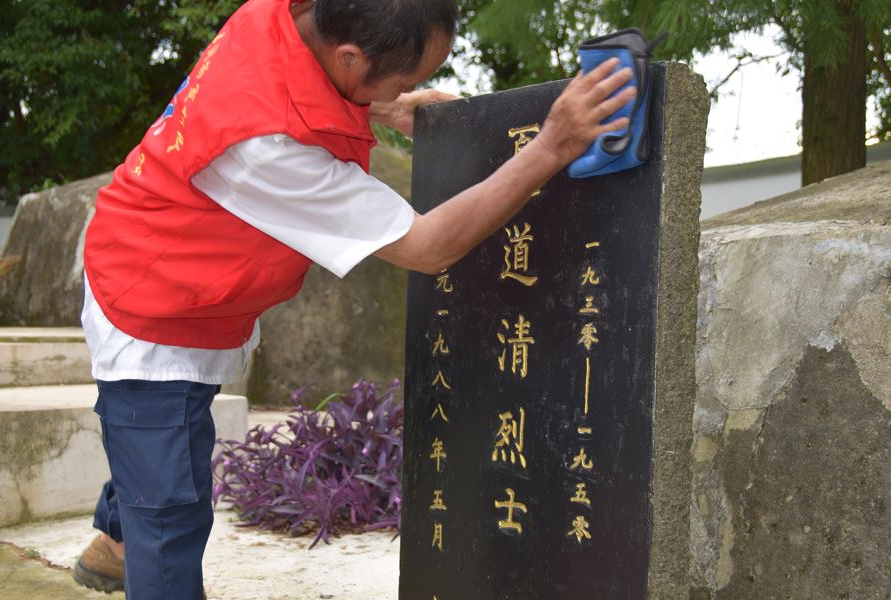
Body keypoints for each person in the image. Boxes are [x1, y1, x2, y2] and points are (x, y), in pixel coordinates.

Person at [72, 0, 636, 597]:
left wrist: (391, 104)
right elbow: (427, 246)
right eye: (405, 78)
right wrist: (552, 146)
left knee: (162, 448)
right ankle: (133, 540)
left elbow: (303, 76)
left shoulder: (285, 15)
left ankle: (113, 542)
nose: (412, 88)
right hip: (155, 305)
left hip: (183, 272)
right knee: (170, 510)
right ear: (350, 59)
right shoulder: (265, 147)